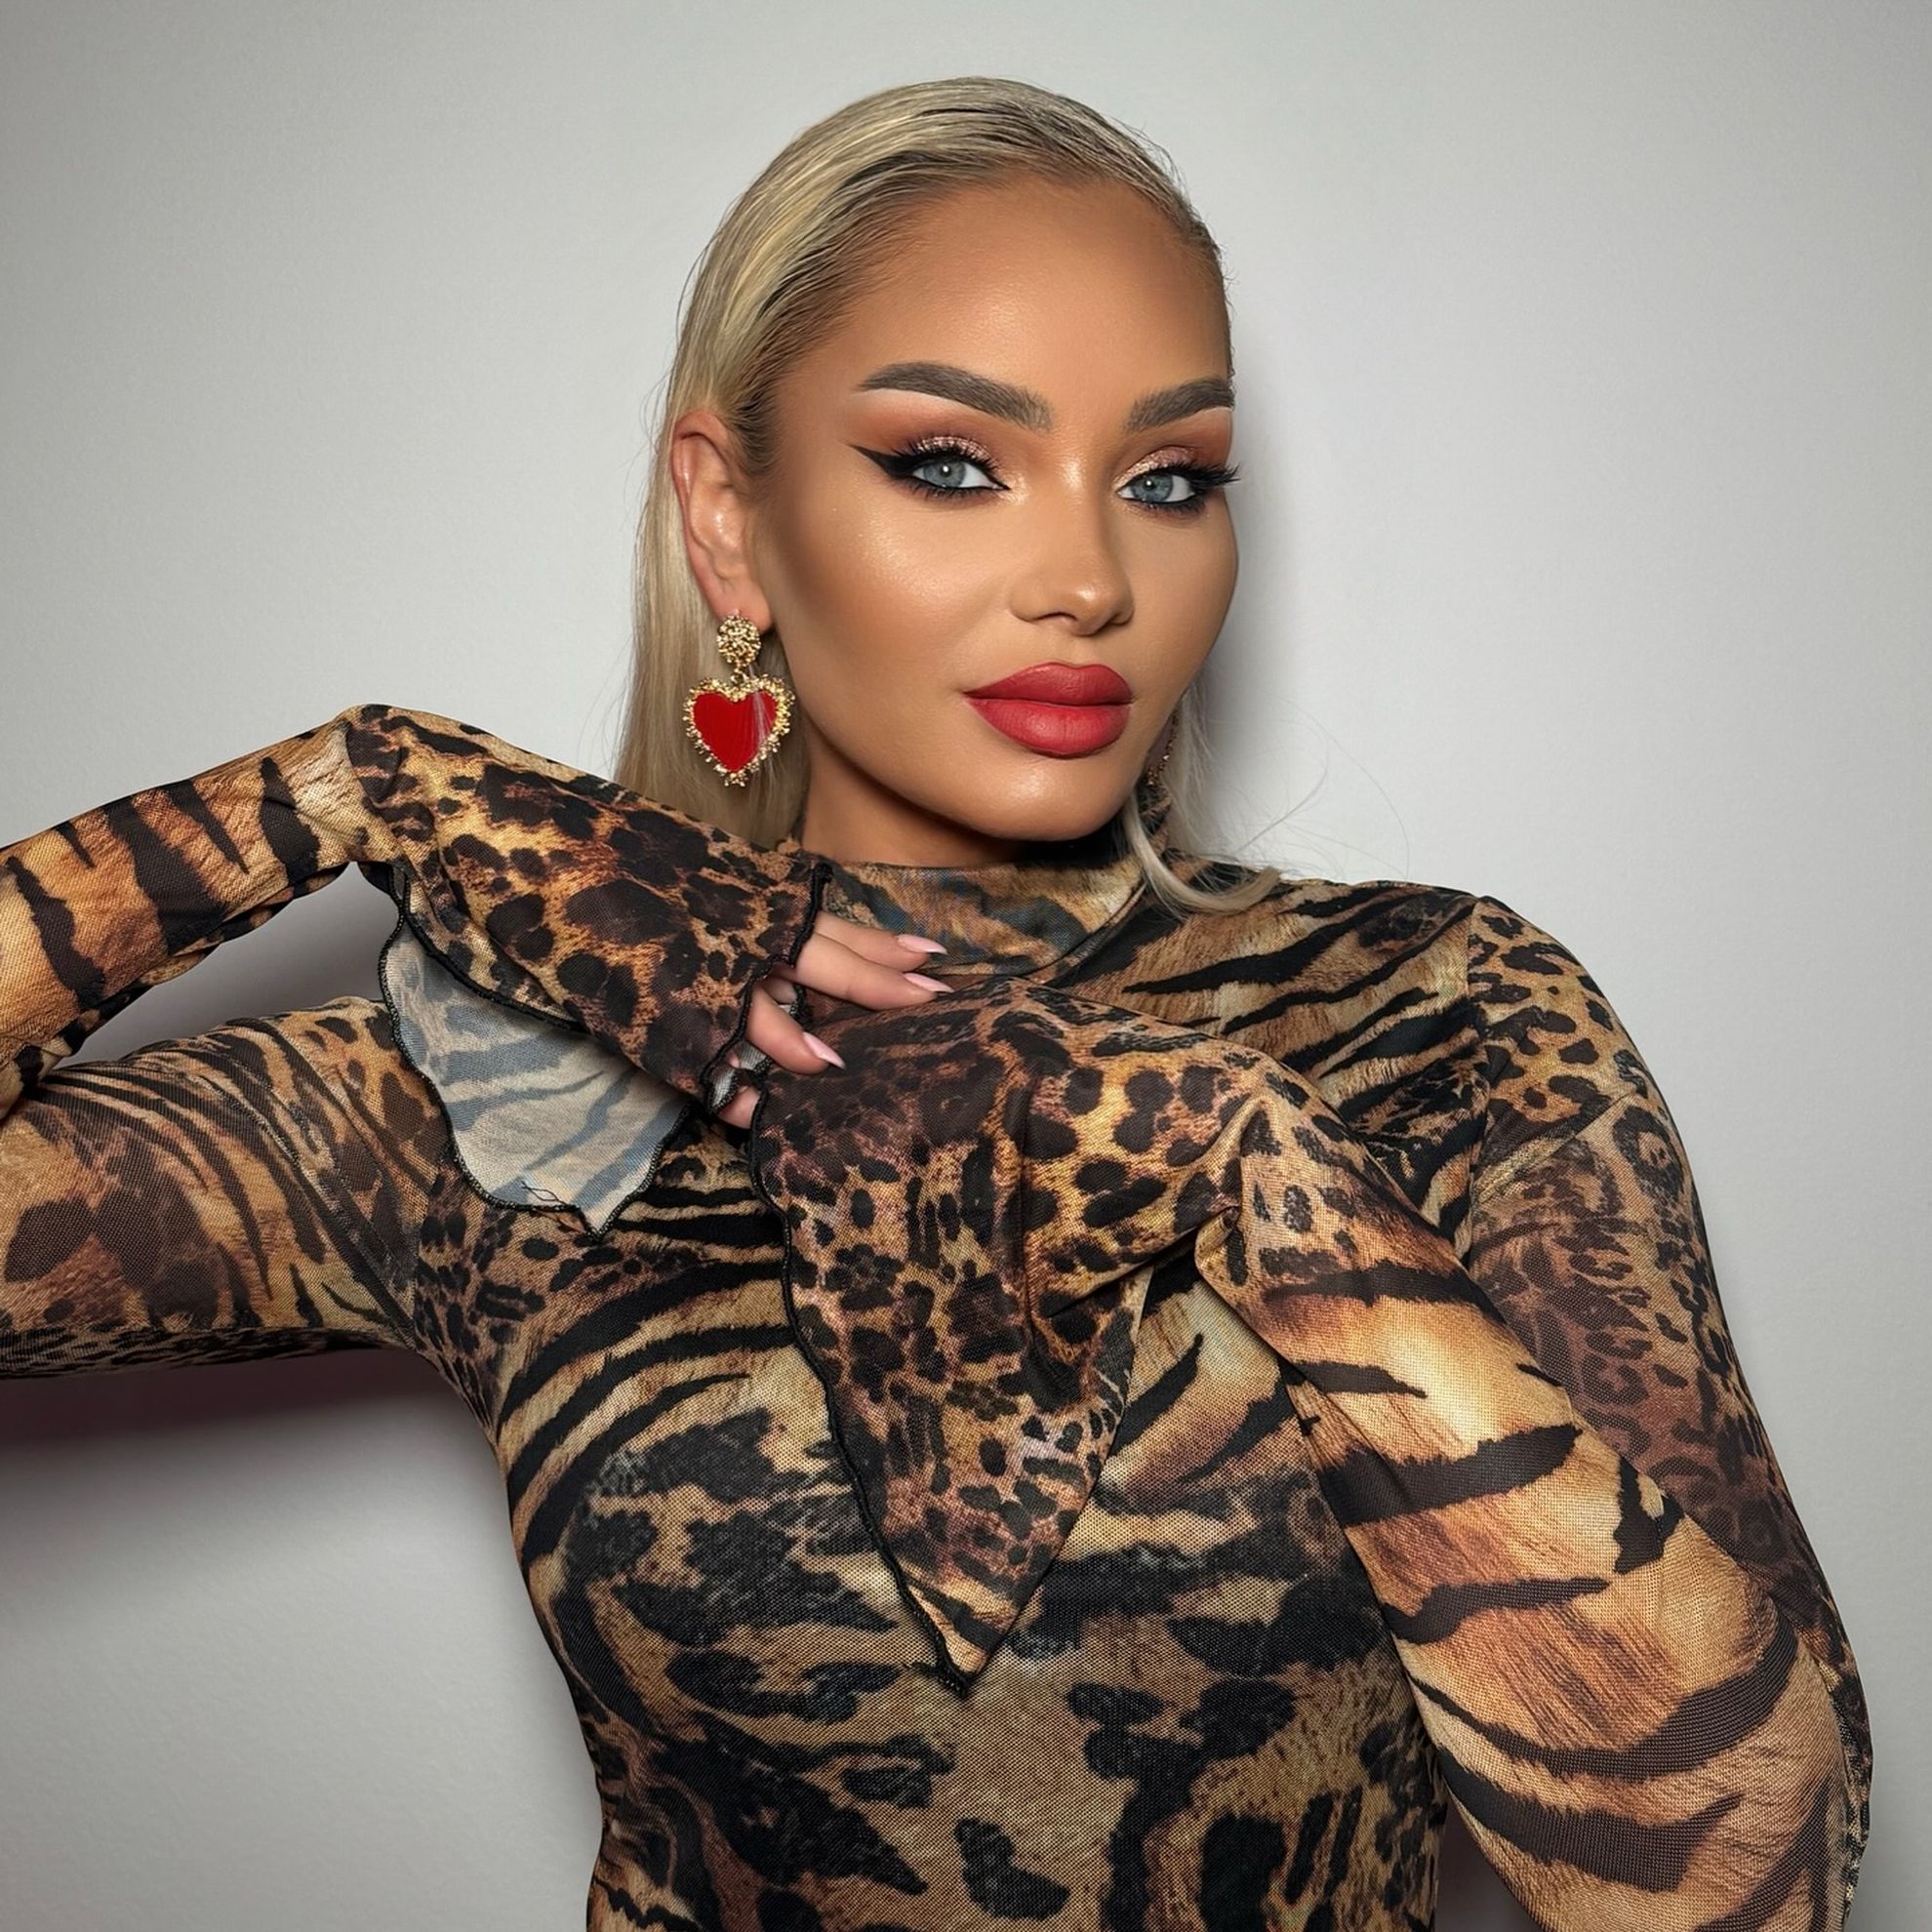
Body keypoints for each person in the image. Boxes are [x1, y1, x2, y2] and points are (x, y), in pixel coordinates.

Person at [0, 74, 1869, 1932]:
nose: (1089, 580)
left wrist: (1254, 1167)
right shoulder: (520, 1064)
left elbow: (1756, 1884)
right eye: (953, 465)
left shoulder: (1436, 1010)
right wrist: (338, 792)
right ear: (728, 521)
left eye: (1169, 480)